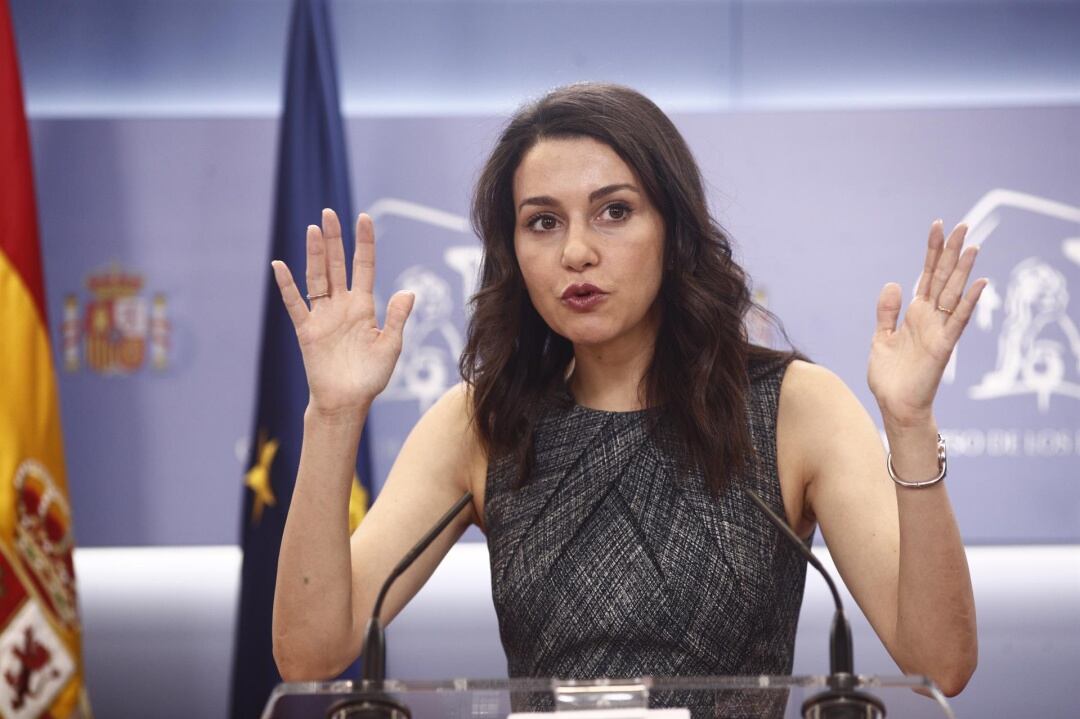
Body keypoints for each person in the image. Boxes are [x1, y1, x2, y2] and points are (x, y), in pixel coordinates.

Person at [269, 84, 981, 700]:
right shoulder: (481, 422)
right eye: (542, 221)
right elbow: (312, 652)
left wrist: (910, 420)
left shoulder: (794, 407)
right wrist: (333, 414)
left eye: (614, 211)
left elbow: (939, 663)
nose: (576, 249)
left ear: (673, 231)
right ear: (513, 253)